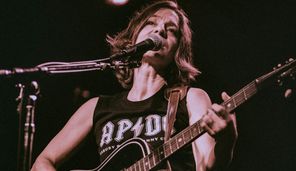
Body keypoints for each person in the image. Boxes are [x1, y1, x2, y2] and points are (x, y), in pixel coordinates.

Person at [31, 0, 238, 170]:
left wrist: (227, 139)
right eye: (151, 23)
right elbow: (42, 162)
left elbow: (206, 168)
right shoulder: (97, 107)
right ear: (135, 37)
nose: (160, 30)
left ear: (177, 50)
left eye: (171, 29)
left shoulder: (191, 97)